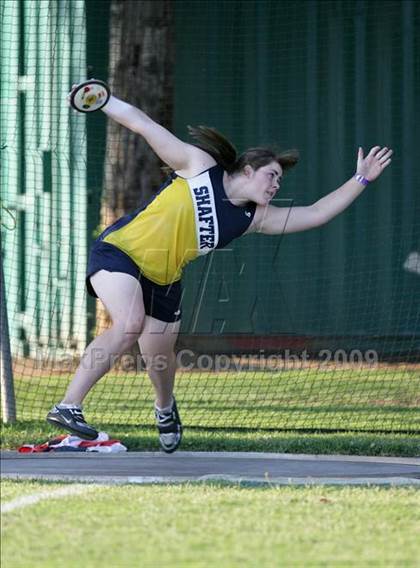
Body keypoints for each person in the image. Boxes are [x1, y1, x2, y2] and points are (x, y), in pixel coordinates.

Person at [47, 84, 393, 452]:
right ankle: (69, 406)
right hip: (119, 253)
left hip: (164, 280)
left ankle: (164, 409)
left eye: (280, 180)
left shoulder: (253, 218)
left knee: (160, 362)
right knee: (130, 323)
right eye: (272, 175)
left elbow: (316, 213)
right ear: (247, 169)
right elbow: (146, 126)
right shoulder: (199, 167)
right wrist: (104, 100)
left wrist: (362, 179)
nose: (277, 184)